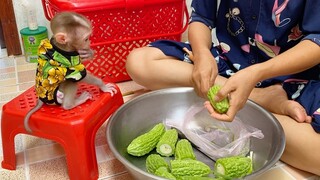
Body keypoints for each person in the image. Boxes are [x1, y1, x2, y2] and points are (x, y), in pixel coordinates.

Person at [125, 0, 320, 176]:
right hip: (231, 63)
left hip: (296, 74)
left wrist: (257, 73)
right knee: (140, 62)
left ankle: (244, 102)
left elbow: (317, 40)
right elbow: (201, 17)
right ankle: (259, 99)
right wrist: (202, 53)